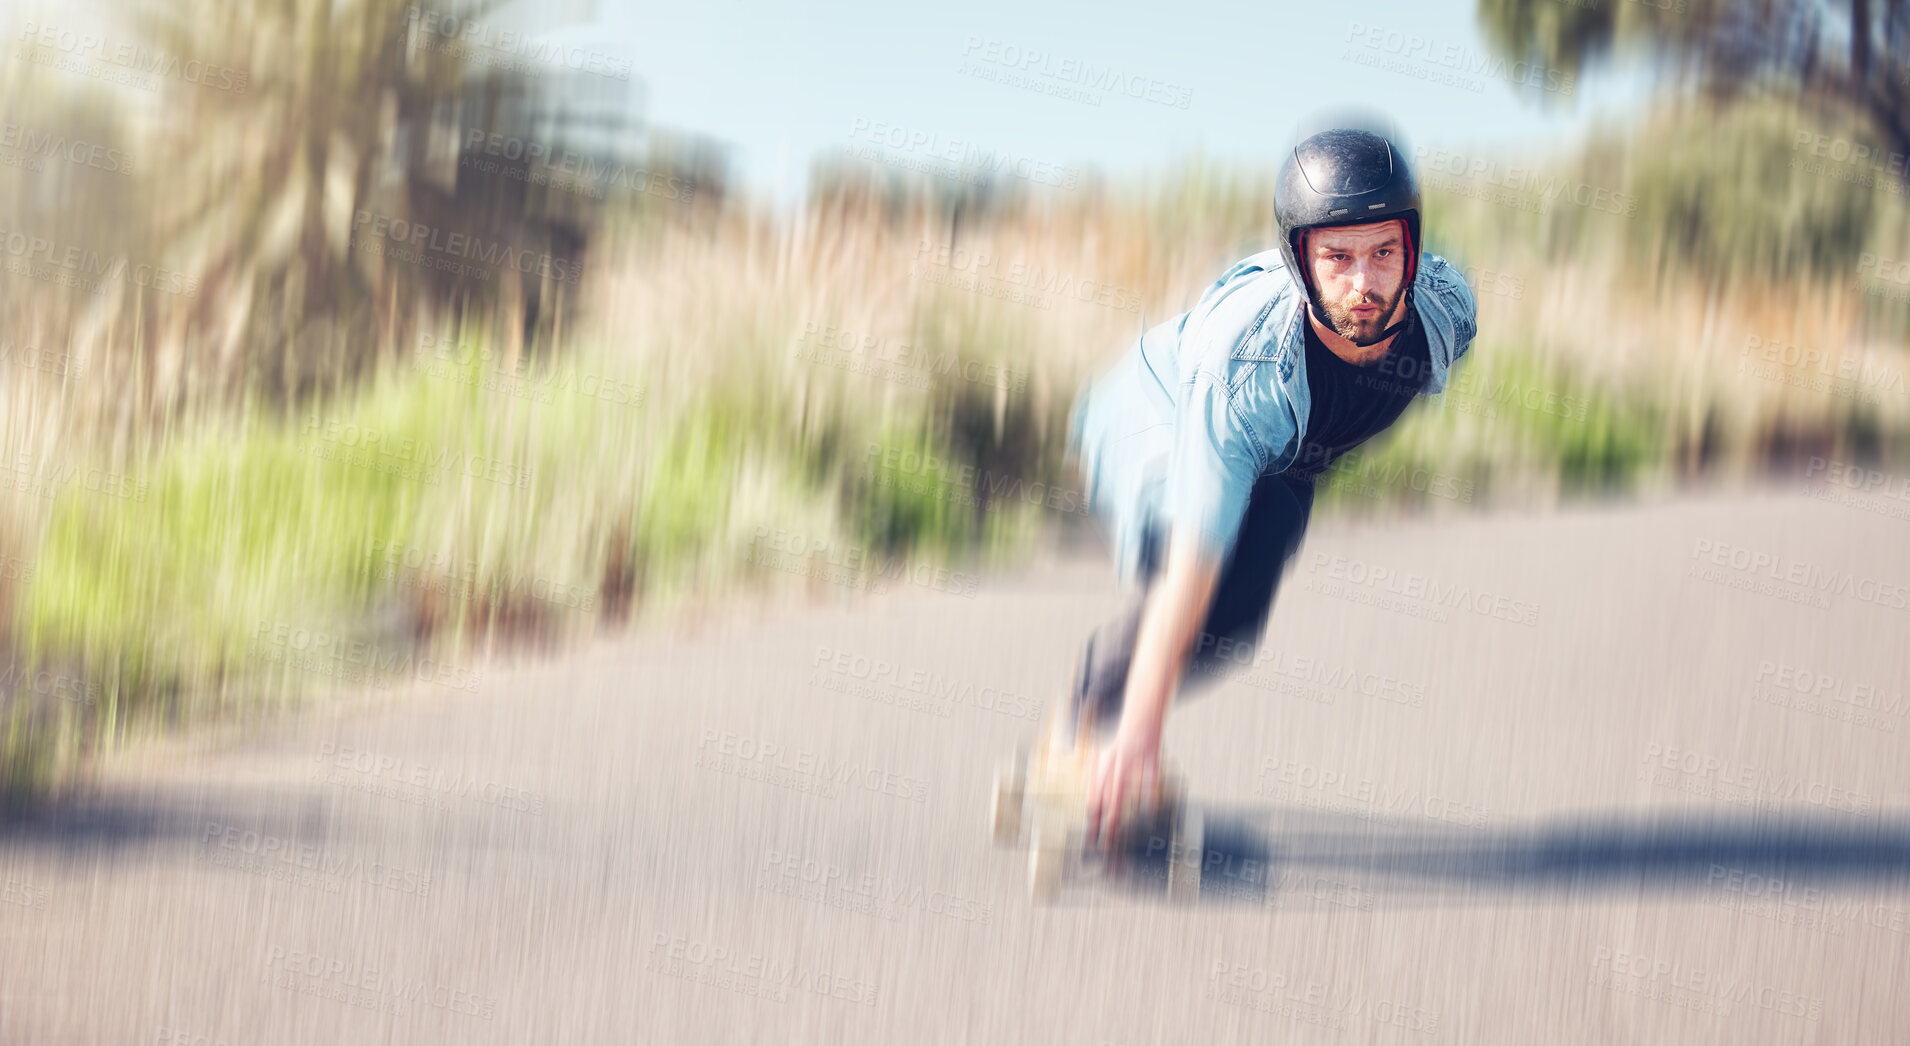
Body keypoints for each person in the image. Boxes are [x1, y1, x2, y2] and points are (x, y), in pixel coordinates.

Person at [1062, 121, 1479, 844]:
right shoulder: (1249, 370)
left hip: (1283, 453)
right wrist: (1143, 732)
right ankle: (1086, 744)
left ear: (1413, 245)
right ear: (1299, 262)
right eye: (1338, 258)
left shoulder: (1448, 313)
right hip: (1156, 416)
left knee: (1233, 627)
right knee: (1200, 589)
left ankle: (1117, 732)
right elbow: (1192, 561)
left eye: (1384, 252)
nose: (1363, 284)